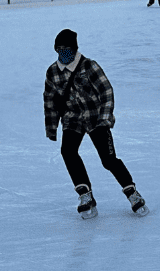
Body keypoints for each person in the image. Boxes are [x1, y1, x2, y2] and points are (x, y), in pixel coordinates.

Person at [44, 29, 147, 219]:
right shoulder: (52, 72)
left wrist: (105, 118)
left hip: (95, 117)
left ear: (74, 49)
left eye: (66, 49)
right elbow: (50, 101)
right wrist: (51, 128)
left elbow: (106, 91)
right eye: (59, 49)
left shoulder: (89, 66)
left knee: (108, 160)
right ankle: (85, 195)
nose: (63, 53)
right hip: (72, 119)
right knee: (68, 151)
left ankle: (132, 193)